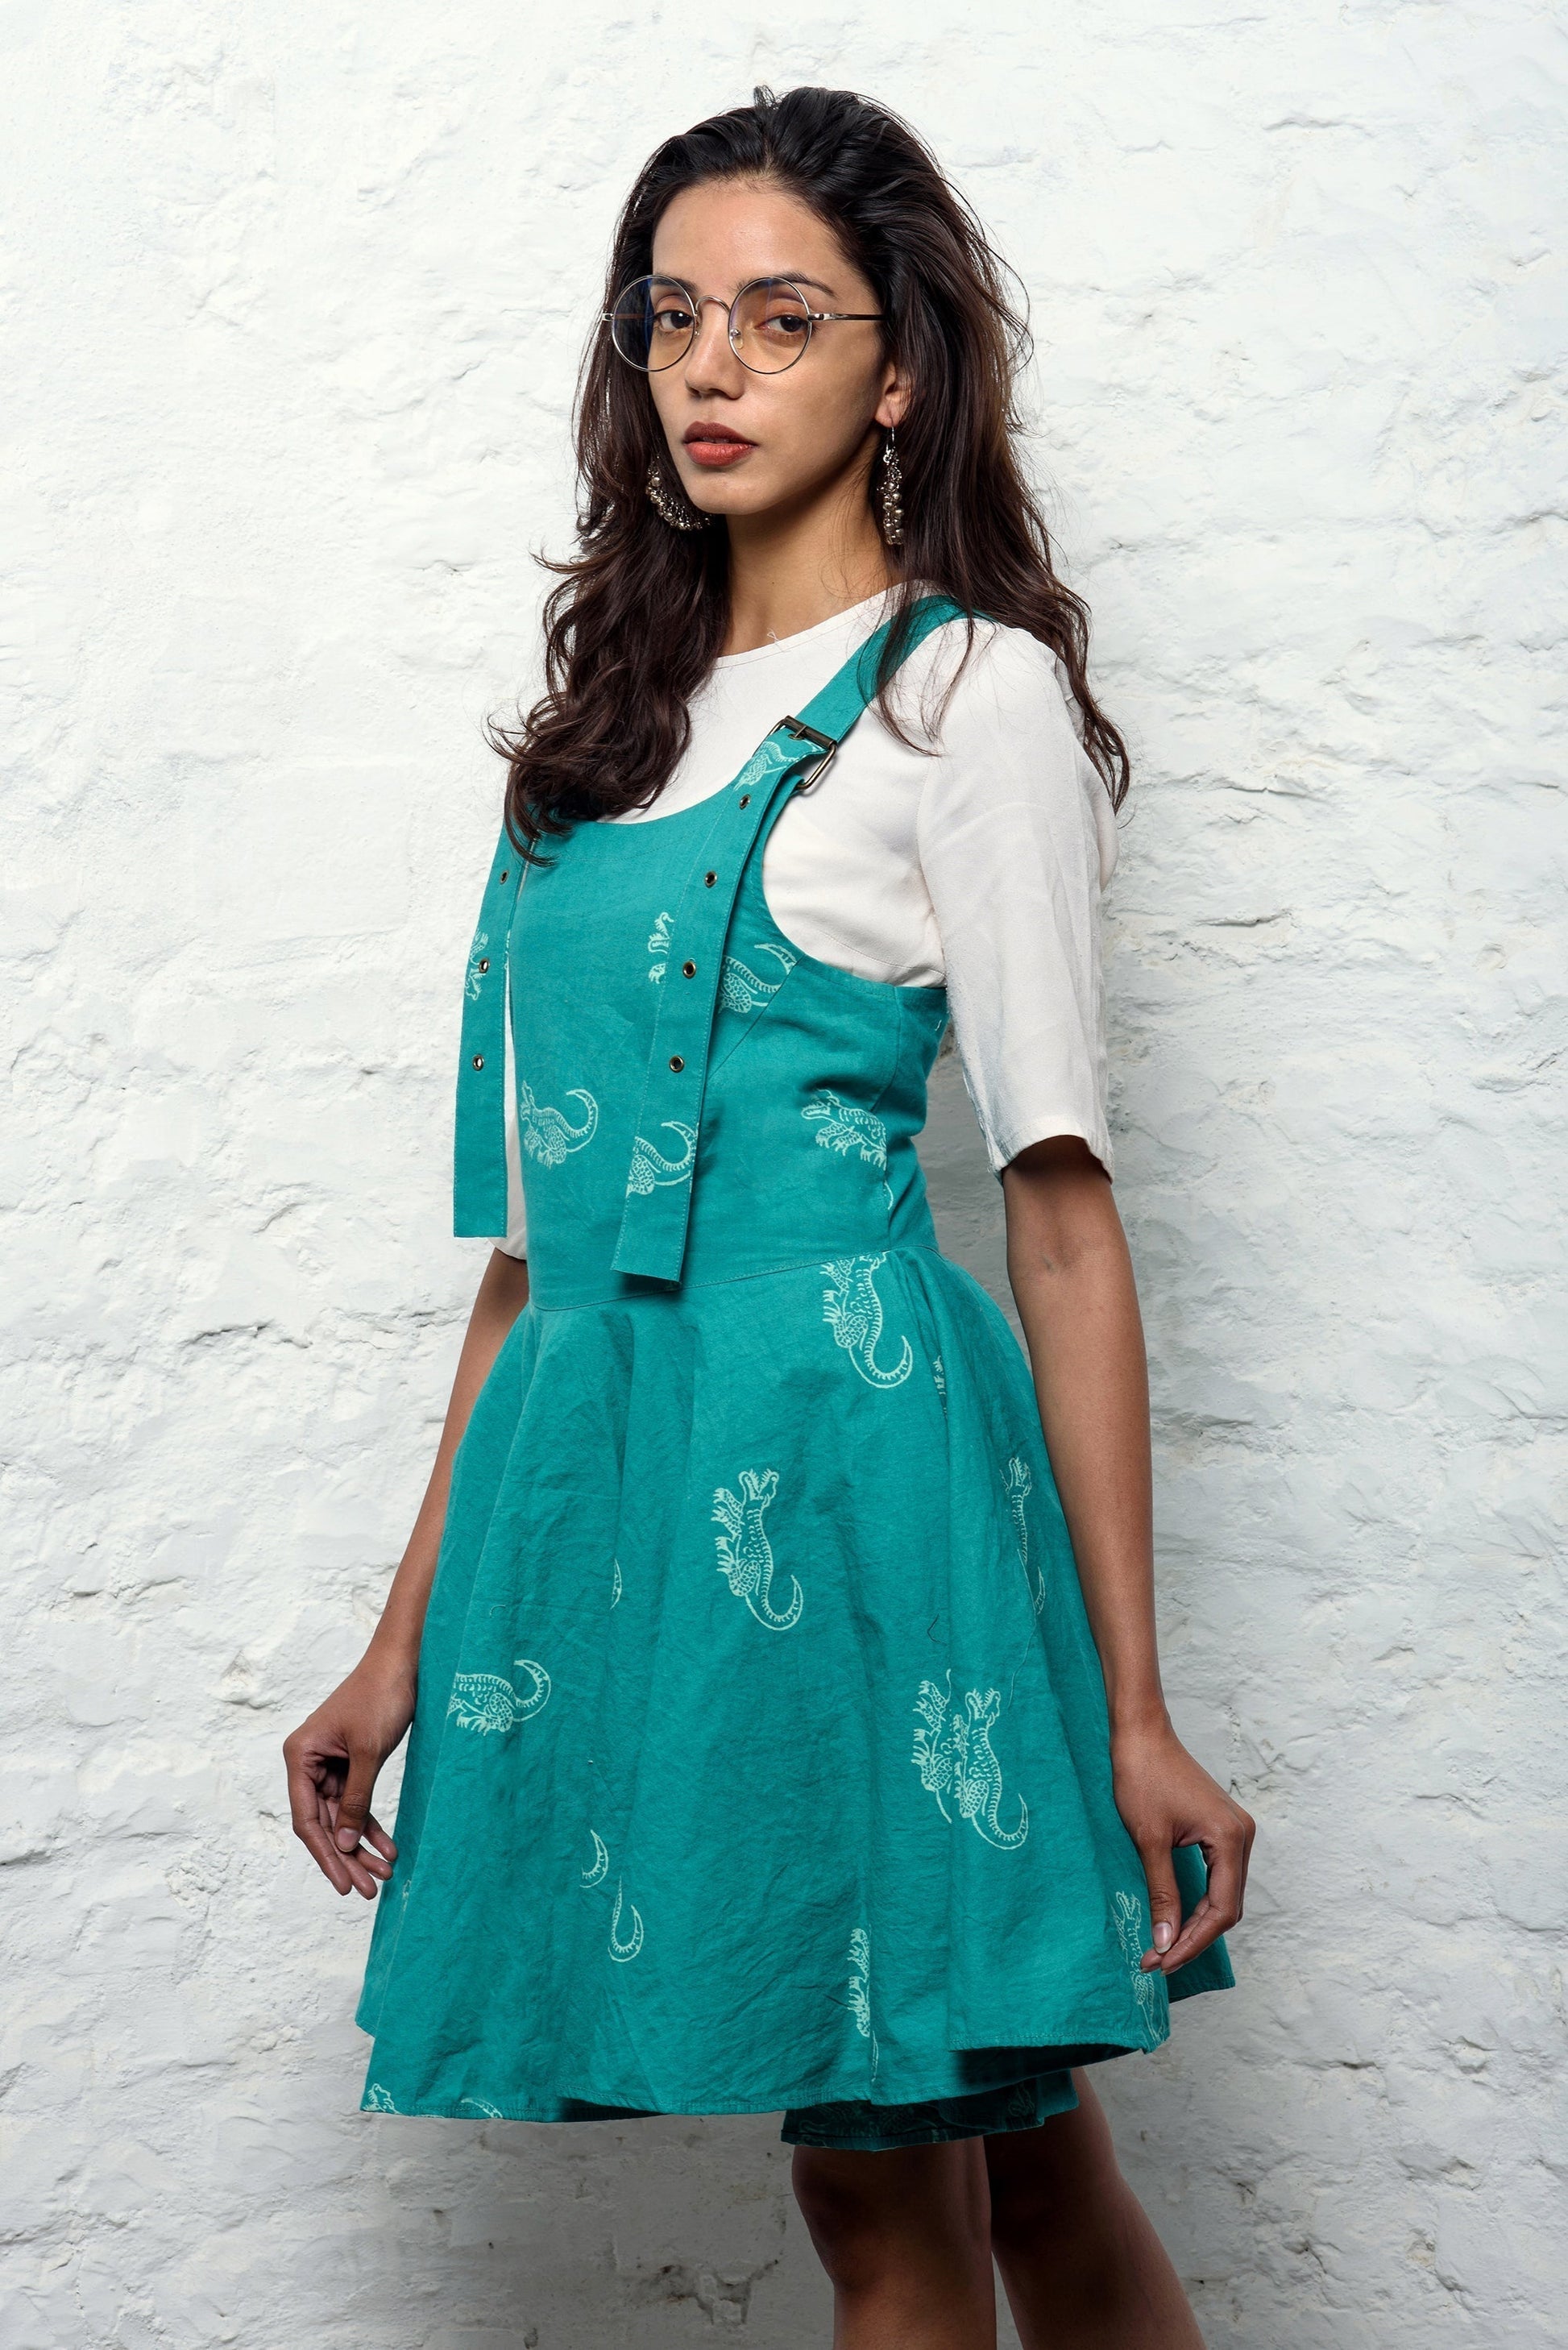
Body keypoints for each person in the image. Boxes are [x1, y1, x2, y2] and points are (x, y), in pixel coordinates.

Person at [284, 83, 1255, 2350]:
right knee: (1024, 2158)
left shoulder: (962, 696)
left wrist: (1132, 1708)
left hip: (854, 1478)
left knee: (877, 2182)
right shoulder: (593, 740)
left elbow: (1060, 1216)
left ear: (898, 371)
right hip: (609, 1491)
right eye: (672, 317)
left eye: (784, 318)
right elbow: (531, 1261)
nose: (711, 367)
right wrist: (400, 1641)